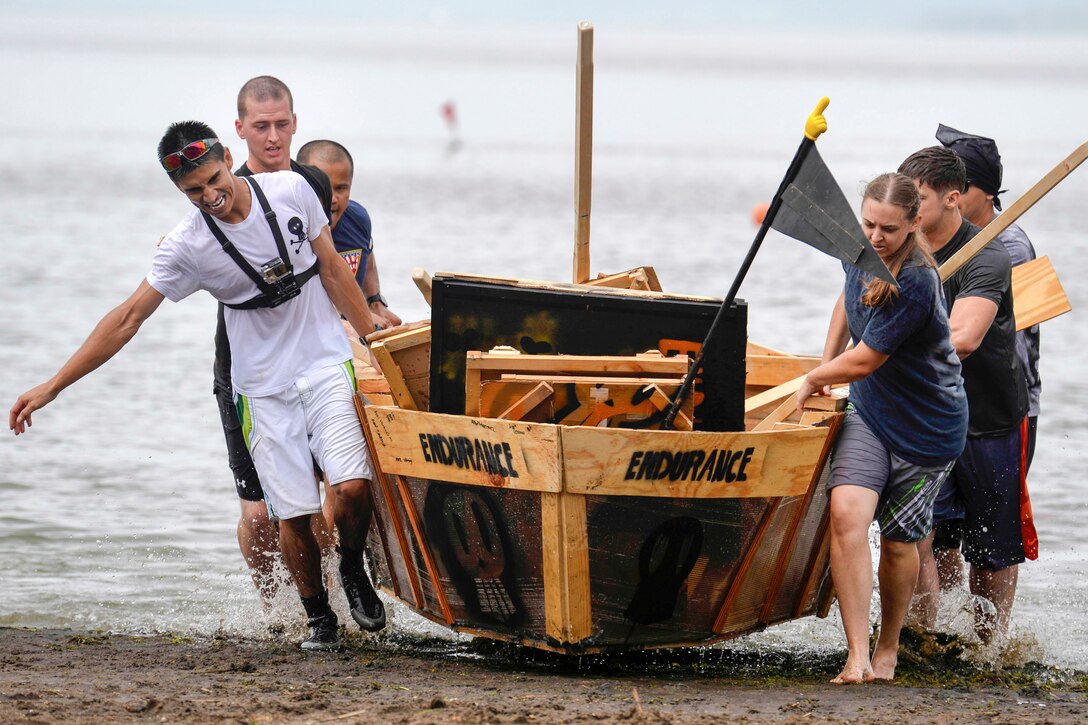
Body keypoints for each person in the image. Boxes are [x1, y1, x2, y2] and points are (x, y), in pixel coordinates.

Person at [10, 124, 385, 651]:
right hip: (259, 387)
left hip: (324, 363)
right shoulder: (188, 246)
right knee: (293, 514)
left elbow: (331, 269)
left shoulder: (293, 190)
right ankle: (318, 617)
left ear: (229, 158)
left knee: (350, 487)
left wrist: (376, 344)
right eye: (194, 192)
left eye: (214, 181)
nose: (210, 197)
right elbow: (126, 319)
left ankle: (351, 570)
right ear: (180, 192)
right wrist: (54, 385)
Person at [796, 173, 967, 684]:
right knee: (847, 515)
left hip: (928, 428)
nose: (874, 236)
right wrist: (825, 366)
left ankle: (887, 647)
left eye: (889, 229)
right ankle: (855, 656)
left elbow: (866, 360)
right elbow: (845, 308)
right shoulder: (857, 248)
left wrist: (815, 377)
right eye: (868, 223)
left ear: (915, 223)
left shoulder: (917, 279)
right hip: (870, 414)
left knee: (898, 541)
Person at [898, 146, 1032, 643]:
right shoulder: (899, 247)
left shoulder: (991, 253)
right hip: (926, 418)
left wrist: (882, 353)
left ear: (952, 199)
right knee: (919, 534)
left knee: (991, 549)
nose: (908, 212)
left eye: (920, 200)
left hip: (990, 420)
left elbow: (964, 339)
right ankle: (920, 637)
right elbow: (850, 305)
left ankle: (986, 648)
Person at [937, 124, 1041, 470]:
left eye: (961, 187)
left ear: (988, 194)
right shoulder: (946, 239)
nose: (950, 194)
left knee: (1001, 520)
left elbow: (1013, 342)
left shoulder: (1009, 247)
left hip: (1005, 409)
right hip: (957, 397)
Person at [296, 139, 402, 329]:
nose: (333, 199)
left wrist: (375, 301)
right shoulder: (290, 230)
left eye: (341, 188)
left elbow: (367, 257)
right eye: (324, 187)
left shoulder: (358, 219)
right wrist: (357, 317)